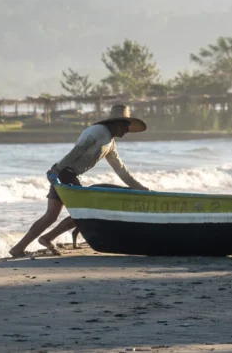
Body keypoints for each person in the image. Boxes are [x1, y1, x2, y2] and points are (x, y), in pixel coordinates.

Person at [8, 104, 148, 257]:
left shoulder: (110, 143)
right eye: (126, 125)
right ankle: (47, 238)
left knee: (51, 216)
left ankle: (19, 248)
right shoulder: (98, 131)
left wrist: (141, 189)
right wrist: (56, 170)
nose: (127, 130)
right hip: (64, 172)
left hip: (65, 173)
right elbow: (77, 151)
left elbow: (121, 170)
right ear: (116, 123)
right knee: (83, 213)